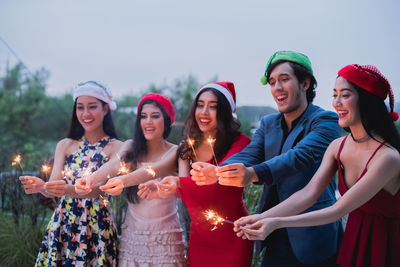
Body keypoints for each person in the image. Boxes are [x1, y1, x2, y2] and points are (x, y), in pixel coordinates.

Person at [235, 64, 400, 267]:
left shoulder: (388, 157)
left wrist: (276, 222)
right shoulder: (337, 146)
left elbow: (337, 210)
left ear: (366, 100)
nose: (336, 103)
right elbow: (308, 193)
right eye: (335, 94)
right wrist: (260, 217)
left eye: (345, 95)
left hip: (385, 243)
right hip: (352, 240)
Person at [191, 51, 342, 266]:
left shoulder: (326, 121)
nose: (277, 88)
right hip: (270, 232)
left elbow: (298, 157)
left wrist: (252, 174)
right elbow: (250, 154)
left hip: (313, 236)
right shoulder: (268, 123)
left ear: (305, 83)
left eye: (284, 79)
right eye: (272, 82)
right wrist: (216, 171)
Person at [139, 82, 253, 267]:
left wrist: (178, 183)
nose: (204, 112)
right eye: (200, 105)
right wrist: (163, 189)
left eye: (213, 107)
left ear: (225, 111)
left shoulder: (241, 143)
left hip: (232, 236)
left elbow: (217, 189)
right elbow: (187, 191)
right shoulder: (188, 146)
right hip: (200, 237)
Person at [19, 81, 122, 266]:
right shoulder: (65, 145)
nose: (85, 114)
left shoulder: (117, 148)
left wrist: (64, 189)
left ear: (105, 109)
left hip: (98, 225)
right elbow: (53, 188)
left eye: (92, 107)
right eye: (80, 108)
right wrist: (41, 187)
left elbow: (100, 190)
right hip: (64, 223)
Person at [79, 93, 187, 266]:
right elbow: (114, 165)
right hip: (133, 236)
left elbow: (153, 173)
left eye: (155, 116)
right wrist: (90, 179)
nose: (148, 122)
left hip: (166, 239)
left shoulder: (178, 151)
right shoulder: (130, 146)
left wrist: (123, 181)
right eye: (143, 117)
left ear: (167, 120)